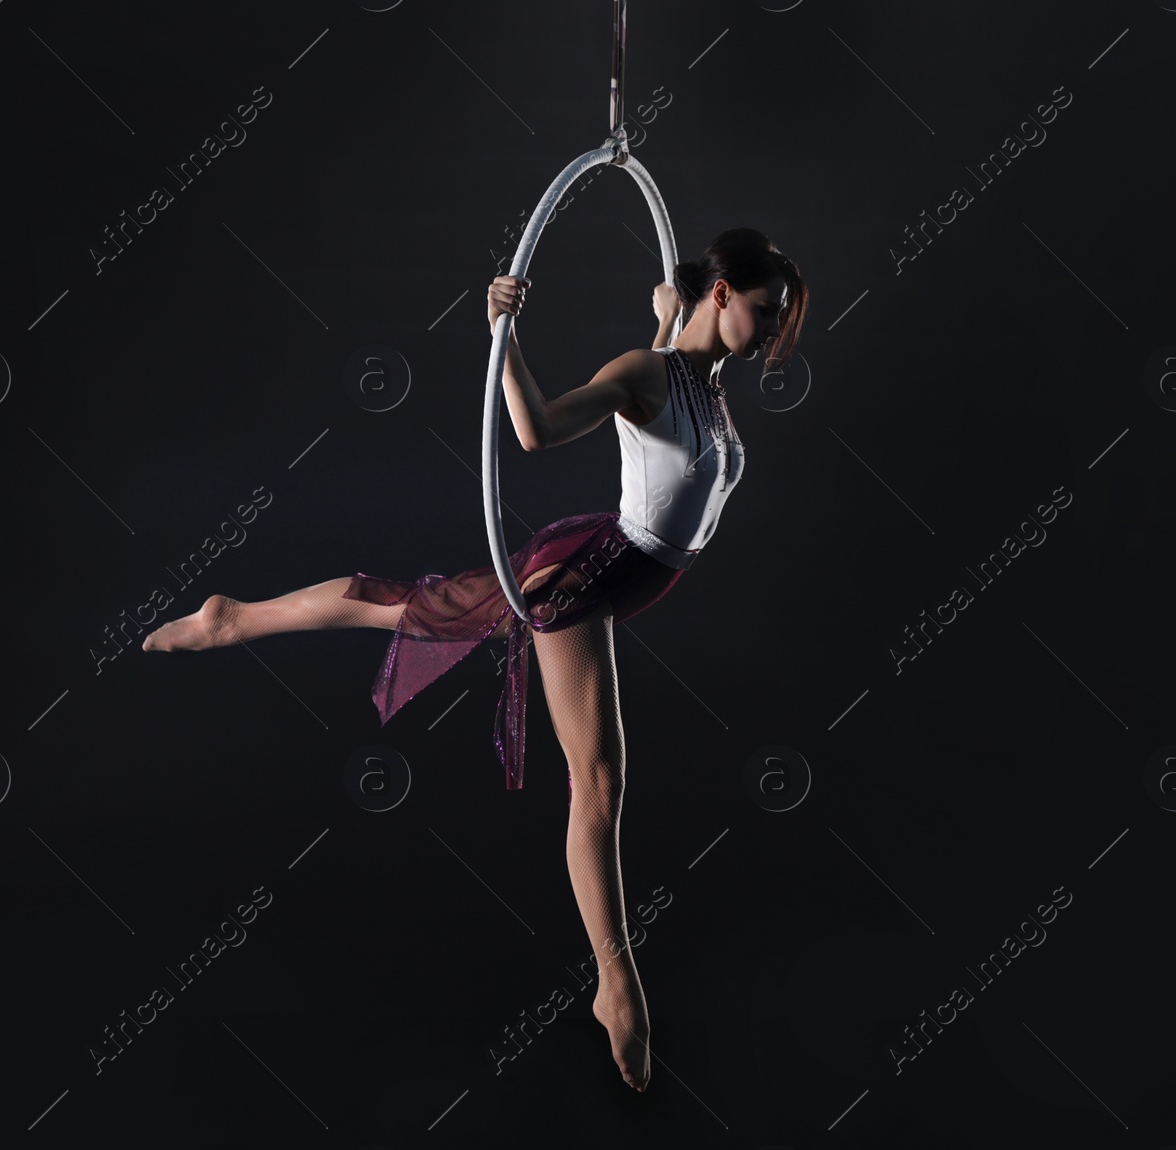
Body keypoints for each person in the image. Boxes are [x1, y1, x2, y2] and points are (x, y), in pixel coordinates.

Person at [143, 227, 808, 1093]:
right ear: (722, 296)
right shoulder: (651, 375)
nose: (769, 335)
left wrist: (664, 321)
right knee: (597, 782)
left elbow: (662, 437)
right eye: (763, 312)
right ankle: (617, 987)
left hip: (609, 574)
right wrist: (505, 338)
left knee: (417, 606)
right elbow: (535, 432)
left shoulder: (694, 377)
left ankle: (234, 615)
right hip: (581, 580)